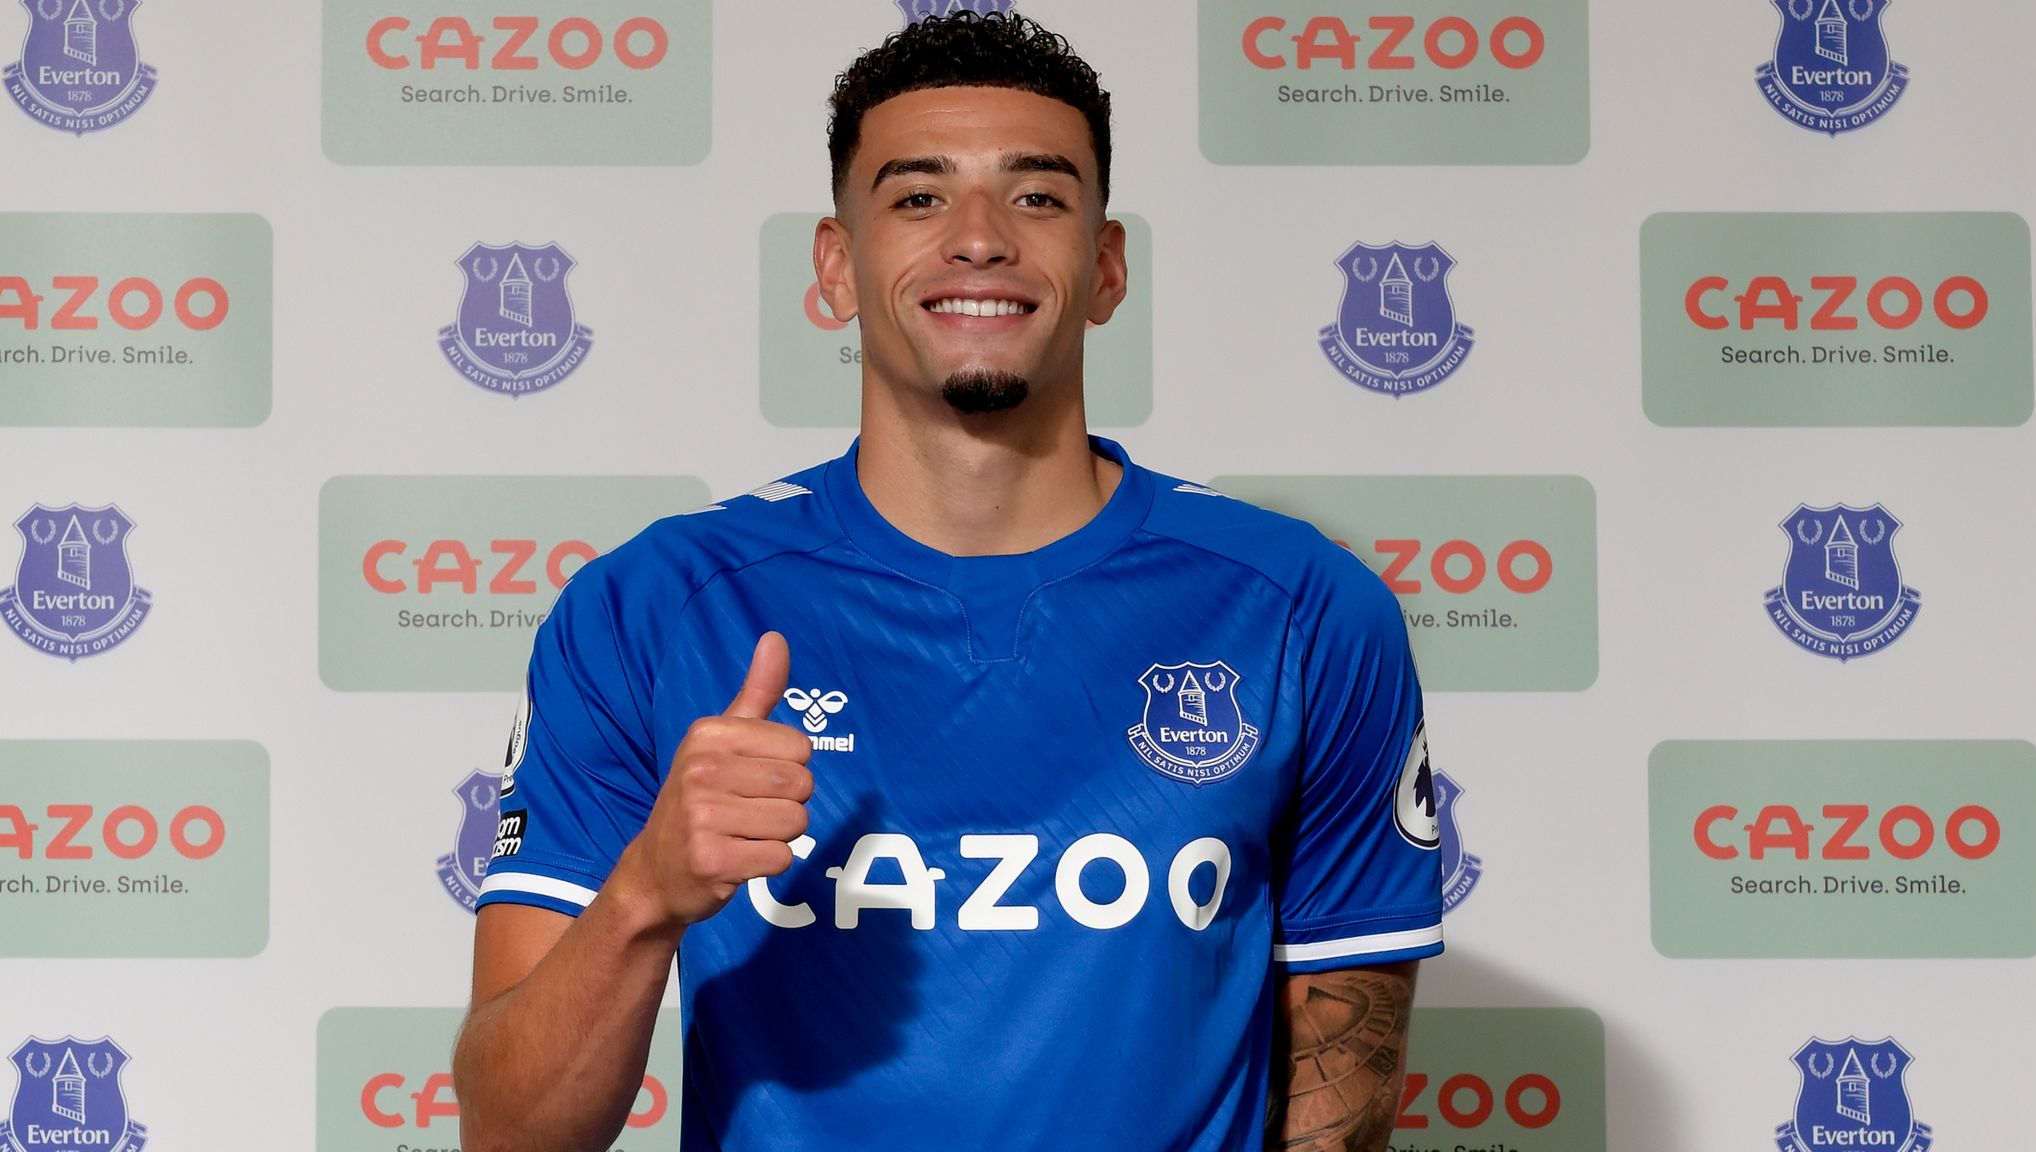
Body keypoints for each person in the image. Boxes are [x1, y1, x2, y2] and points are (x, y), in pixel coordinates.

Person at [452, 12, 1442, 1151]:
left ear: (1106, 268)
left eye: (1037, 196)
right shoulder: (649, 608)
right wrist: (645, 895)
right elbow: (510, 1133)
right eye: (919, 196)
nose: (979, 238)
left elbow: (1341, 1094)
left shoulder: (1303, 609)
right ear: (836, 267)